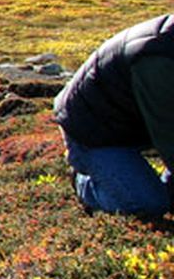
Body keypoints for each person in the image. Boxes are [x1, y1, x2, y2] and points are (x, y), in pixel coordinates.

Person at [54, 13, 174, 218]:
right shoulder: (157, 58)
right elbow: (169, 133)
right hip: (93, 131)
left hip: (134, 125)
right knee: (146, 204)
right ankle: (85, 185)